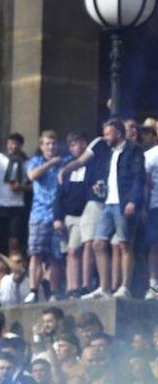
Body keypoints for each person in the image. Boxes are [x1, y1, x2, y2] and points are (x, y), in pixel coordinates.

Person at [80, 119, 146, 299]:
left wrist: (133, 201)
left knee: (125, 243)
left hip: (123, 203)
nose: (105, 138)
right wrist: (100, 187)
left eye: (108, 134)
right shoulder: (110, 153)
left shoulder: (133, 150)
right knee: (98, 243)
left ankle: (125, 287)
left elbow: (138, 177)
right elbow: (110, 177)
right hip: (108, 203)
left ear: (118, 133)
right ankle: (105, 287)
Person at [25, 130, 68, 302]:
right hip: (39, 215)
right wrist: (51, 164)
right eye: (47, 144)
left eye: (53, 143)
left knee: (56, 256)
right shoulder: (36, 161)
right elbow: (32, 175)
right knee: (36, 254)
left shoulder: (64, 161)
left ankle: (55, 291)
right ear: (41, 146)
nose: (51, 146)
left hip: (58, 215)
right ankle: (33, 290)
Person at [54, 132, 92, 298]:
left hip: (86, 214)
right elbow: (59, 195)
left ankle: (85, 285)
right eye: (70, 145)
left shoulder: (92, 165)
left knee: (78, 250)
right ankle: (71, 287)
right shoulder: (67, 168)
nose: (72, 148)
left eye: (75, 143)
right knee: (70, 252)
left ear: (84, 143)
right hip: (69, 215)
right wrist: (57, 218)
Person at [0, 133, 29, 254]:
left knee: (14, 240)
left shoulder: (26, 162)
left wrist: (21, 187)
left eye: (16, 144)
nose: (13, 146)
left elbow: (32, 185)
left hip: (17, 205)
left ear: (21, 145)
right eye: (10, 143)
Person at [144, 124, 158, 299]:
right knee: (155, 246)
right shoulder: (151, 155)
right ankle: (153, 286)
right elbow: (145, 184)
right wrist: (143, 207)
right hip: (155, 206)